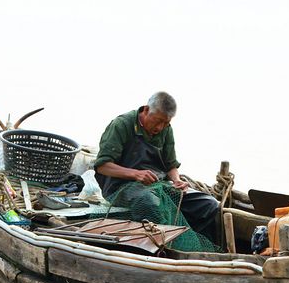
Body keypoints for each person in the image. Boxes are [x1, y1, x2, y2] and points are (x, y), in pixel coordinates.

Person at [94, 92, 221, 247]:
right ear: (146, 110)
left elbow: (170, 165)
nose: (160, 127)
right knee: (151, 202)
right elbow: (102, 166)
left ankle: (192, 244)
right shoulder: (122, 124)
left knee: (208, 204)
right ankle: (163, 248)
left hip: (158, 185)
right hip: (120, 187)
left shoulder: (166, 130)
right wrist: (136, 174)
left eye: (166, 123)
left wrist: (177, 180)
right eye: (158, 121)